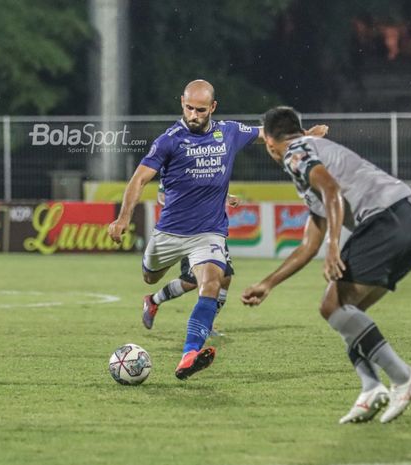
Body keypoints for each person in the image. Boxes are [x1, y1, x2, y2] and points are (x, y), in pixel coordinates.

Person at [108, 80, 327, 381]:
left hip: (208, 232)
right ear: (181, 103)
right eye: (188, 108)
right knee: (150, 275)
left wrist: (304, 136)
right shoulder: (169, 140)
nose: (194, 115)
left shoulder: (230, 132)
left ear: (213, 107)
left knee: (212, 283)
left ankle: (189, 355)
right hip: (169, 233)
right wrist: (123, 219)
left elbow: (269, 135)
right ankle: (153, 297)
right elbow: (138, 180)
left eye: (200, 109)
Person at [241, 106, 411, 424]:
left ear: (270, 143)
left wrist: (334, 247)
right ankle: (370, 387)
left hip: (385, 219)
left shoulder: (295, 154)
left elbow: (332, 192)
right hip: (408, 224)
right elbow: (307, 245)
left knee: (333, 306)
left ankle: (401, 376)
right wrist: (268, 283)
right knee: (344, 312)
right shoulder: (309, 153)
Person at [142, 183, 239, 335]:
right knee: (191, 282)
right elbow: (162, 197)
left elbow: (208, 189)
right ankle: (153, 300)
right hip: (188, 231)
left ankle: (206, 324)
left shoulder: (206, 166)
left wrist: (226, 198)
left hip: (211, 230)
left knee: (225, 277)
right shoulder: (175, 166)